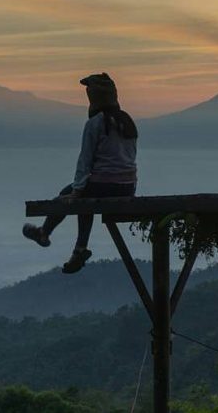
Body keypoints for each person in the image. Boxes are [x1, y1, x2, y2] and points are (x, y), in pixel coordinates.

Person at [23, 72, 138, 273]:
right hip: (127, 186)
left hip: (104, 184)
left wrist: (76, 190)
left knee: (72, 195)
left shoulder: (95, 123)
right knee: (86, 198)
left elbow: (84, 160)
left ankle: (45, 232)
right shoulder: (126, 121)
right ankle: (78, 248)